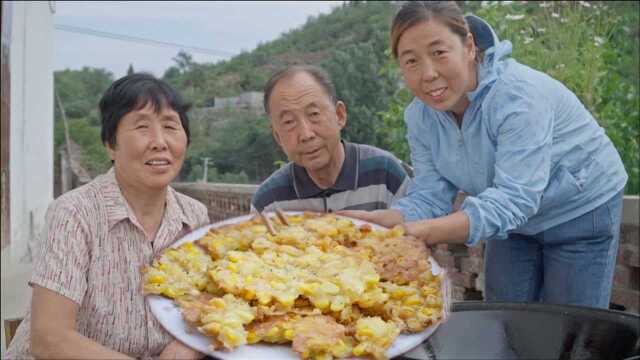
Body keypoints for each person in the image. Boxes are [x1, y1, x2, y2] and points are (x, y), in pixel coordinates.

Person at [342, 1, 627, 309]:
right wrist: (390, 220)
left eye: (439, 53)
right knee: (505, 320)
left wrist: (425, 231)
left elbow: (516, 198)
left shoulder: (517, 97)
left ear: (468, 45)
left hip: (580, 207)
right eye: (411, 61)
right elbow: (430, 195)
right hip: (513, 220)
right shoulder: (420, 117)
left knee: (570, 333)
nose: (428, 74)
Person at [6, 73, 208, 359]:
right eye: (142, 127)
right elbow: (50, 339)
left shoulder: (195, 216)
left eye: (170, 126)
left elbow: (206, 307)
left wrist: (187, 344)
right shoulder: (74, 214)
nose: (159, 142)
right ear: (111, 145)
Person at [252, 65, 411, 213]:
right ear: (278, 136)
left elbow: (413, 238)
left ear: (339, 115)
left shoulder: (386, 174)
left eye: (314, 114)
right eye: (288, 122)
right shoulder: (268, 203)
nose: (306, 134)